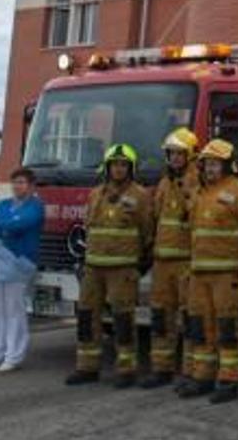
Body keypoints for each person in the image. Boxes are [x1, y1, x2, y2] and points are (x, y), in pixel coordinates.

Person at [66, 144, 154, 388]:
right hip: (93, 268)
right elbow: (89, 228)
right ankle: (87, 367)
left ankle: (126, 370)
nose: (118, 169)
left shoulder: (141, 196)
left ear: (131, 168)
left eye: (123, 165)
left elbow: (148, 233)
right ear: (107, 167)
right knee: (86, 316)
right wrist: (85, 261)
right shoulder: (96, 194)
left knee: (123, 319)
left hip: (123, 270)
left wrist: (142, 265)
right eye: (114, 164)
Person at [178, 139, 238, 404]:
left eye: (216, 164)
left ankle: (229, 380)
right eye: (207, 164)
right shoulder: (200, 193)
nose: (211, 169)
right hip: (200, 273)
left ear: (227, 165)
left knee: (227, 330)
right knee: (201, 329)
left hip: (228, 274)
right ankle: (202, 377)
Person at [141, 128, 200, 389]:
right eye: (172, 154)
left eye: (180, 154)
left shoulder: (197, 182)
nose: (175, 158)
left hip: (187, 261)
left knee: (190, 319)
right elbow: (154, 218)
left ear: (191, 155)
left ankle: (190, 371)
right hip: (162, 261)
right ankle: (161, 368)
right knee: (161, 317)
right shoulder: (164, 183)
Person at [0, 167, 45, 372]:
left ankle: (13, 355)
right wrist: (0, 227)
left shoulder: (36, 206)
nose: (16, 186)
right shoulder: (3, 204)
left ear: (31, 186)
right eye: (15, 182)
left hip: (19, 263)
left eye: (21, 182)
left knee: (14, 310)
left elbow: (21, 225)